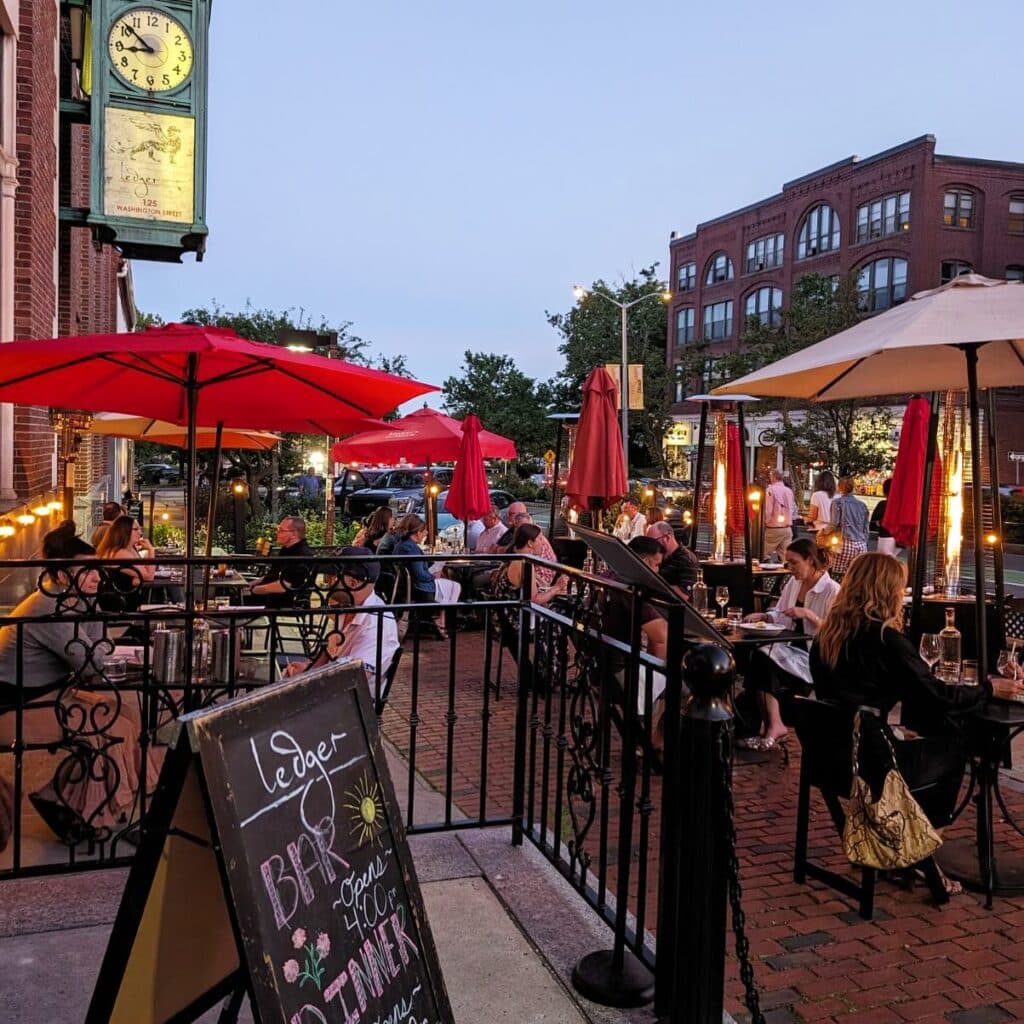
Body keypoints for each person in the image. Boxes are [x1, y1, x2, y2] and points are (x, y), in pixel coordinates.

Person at [810, 554, 1024, 895]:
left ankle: (903, 844)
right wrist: (989, 688)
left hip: (830, 757)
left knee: (926, 739)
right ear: (887, 591)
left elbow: (849, 696)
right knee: (955, 747)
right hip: (873, 763)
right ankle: (919, 847)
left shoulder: (828, 635)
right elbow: (937, 696)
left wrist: (891, 728)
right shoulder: (884, 640)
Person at [0, 523, 160, 846]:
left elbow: (99, 648)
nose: (97, 577)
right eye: (87, 572)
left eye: (97, 571)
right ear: (61, 575)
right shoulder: (49, 608)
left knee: (126, 714)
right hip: (14, 708)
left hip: (49, 696)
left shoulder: (68, 600)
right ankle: (96, 814)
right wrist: (99, 643)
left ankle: (65, 804)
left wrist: (94, 612)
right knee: (111, 726)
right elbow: (95, 665)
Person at [738, 538, 840, 750]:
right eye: (787, 563)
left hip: (814, 656)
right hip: (788, 648)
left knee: (761, 661)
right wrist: (765, 617)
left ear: (810, 560)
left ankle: (769, 725)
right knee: (758, 659)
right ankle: (771, 725)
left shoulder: (832, 590)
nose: (789, 568)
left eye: (794, 563)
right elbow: (781, 612)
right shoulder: (794, 583)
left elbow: (835, 633)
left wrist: (809, 615)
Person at [284, 547, 399, 691]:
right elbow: (330, 655)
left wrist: (309, 681)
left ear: (352, 583)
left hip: (352, 705)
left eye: (331, 577)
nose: (327, 583)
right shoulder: (347, 607)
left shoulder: (377, 624)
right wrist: (308, 671)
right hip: (335, 695)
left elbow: (354, 679)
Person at [393, 514, 461, 638]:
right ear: (417, 532)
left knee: (449, 584)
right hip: (420, 588)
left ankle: (440, 620)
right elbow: (420, 575)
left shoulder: (401, 545)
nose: (426, 533)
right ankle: (442, 621)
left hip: (409, 586)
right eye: (424, 531)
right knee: (455, 586)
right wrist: (433, 575)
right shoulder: (411, 549)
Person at [249, 516, 314, 609]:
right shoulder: (286, 549)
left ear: (294, 534)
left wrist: (254, 590)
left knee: (231, 600)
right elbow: (273, 575)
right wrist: (251, 583)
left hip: (281, 600)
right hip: (270, 595)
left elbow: (284, 586)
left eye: (281, 530)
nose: (277, 533)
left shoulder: (301, 554)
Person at [95, 515, 156, 613]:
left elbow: (144, 573)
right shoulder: (120, 553)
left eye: (140, 529)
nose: (140, 533)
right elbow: (149, 576)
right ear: (124, 531)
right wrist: (151, 550)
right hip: (119, 605)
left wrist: (136, 578)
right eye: (136, 529)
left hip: (124, 599)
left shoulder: (128, 549)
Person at [499, 524, 568, 608]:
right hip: (518, 617)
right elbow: (534, 600)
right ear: (530, 543)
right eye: (540, 538)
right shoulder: (523, 563)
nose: (543, 542)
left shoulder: (513, 557)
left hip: (506, 612)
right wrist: (557, 587)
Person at [646, 520, 700, 597]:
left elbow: (685, 596)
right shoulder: (660, 556)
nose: (650, 546)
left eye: (653, 541)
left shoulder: (686, 559)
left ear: (667, 537)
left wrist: (655, 583)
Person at [828, 476, 870, 575]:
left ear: (839, 487)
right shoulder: (862, 505)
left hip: (844, 542)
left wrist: (824, 532)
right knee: (856, 575)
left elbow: (834, 524)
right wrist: (864, 541)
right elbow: (866, 527)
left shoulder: (837, 502)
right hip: (861, 544)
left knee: (837, 574)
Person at [764, 470, 796, 559]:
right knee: (786, 557)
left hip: (773, 528)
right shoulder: (789, 491)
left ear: (773, 477)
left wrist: (765, 521)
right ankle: (787, 572)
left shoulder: (770, 490)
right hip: (787, 528)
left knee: (764, 554)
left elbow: (768, 509)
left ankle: (766, 572)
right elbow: (793, 508)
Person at [871, 478, 896, 555]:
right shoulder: (901, 506)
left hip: (885, 537)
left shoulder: (883, 505)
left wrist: (879, 523)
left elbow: (872, 523)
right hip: (899, 538)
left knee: (884, 562)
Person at [808, 471, 836, 537]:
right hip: (835, 530)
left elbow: (813, 516)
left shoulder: (816, 495)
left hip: (820, 530)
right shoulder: (838, 496)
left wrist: (806, 520)